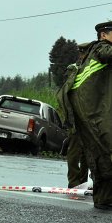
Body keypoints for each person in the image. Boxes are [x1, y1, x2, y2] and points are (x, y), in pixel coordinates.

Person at [59, 20, 112, 210]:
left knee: (102, 154)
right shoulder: (101, 48)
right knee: (103, 153)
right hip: (91, 114)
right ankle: (96, 195)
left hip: (92, 113)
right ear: (103, 35)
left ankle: (104, 199)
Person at [57, 43, 89, 189]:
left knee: (88, 153)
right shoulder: (74, 69)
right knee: (75, 152)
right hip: (76, 118)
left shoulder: (91, 68)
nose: (83, 56)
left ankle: (83, 181)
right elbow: (68, 93)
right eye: (82, 53)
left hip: (89, 117)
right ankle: (74, 183)